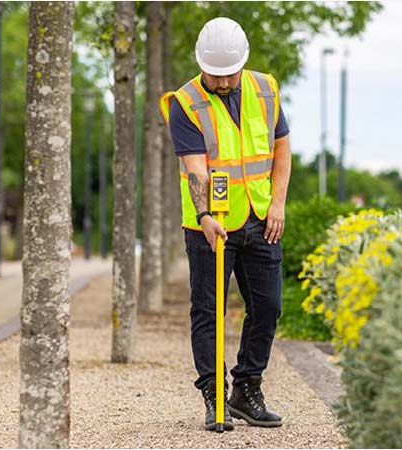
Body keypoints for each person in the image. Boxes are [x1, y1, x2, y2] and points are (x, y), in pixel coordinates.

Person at [159, 17, 291, 431]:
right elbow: (195, 169)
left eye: (229, 73)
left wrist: (278, 204)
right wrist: (204, 217)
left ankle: (246, 389)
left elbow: (281, 149)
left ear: (242, 63)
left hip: (260, 216)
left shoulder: (266, 88)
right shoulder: (185, 102)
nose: (222, 81)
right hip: (210, 227)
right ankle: (214, 395)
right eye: (214, 74)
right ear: (202, 66)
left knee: (268, 307)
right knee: (209, 311)